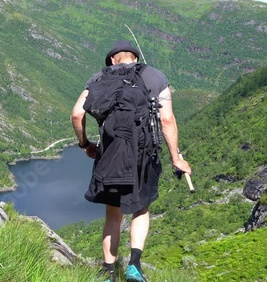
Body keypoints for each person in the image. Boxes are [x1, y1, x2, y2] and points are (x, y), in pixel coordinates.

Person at [71, 40, 192, 282]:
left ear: (113, 60)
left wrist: (85, 144)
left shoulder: (98, 78)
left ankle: (108, 274)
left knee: (113, 215)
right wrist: (176, 159)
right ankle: (134, 266)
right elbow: (167, 120)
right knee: (141, 208)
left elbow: (76, 114)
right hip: (144, 154)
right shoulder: (155, 77)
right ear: (135, 58)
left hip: (111, 154)